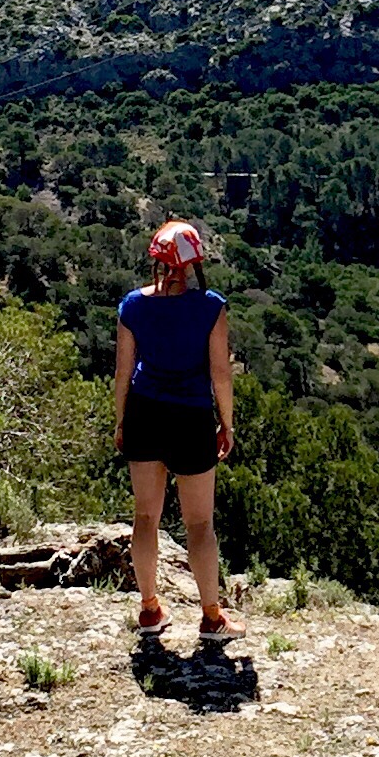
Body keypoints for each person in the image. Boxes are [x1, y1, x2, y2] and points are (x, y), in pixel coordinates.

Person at [116, 219, 237, 640]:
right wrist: (227, 423)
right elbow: (221, 374)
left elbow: (123, 373)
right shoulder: (210, 307)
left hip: (145, 413)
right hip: (191, 417)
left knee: (146, 517)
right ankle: (211, 618)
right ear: (194, 261)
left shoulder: (132, 306)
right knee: (200, 523)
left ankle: (149, 609)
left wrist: (120, 422)